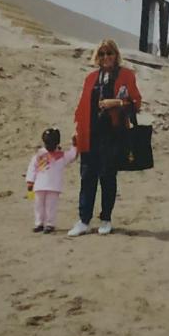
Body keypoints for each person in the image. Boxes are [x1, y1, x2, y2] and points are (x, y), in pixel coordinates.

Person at [68, 39, 142, 237]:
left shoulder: (126, 75)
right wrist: (77, 131)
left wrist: (115, 102)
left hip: (113, 135)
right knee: (87, 177)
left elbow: (136, 102)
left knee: (107, 177)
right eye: (101, 54)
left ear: (115, 54)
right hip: (90, 134)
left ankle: (106, 218)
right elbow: (82, 107)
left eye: (109, 53)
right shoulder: (91, 78)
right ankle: (83, 220)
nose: (106, 57)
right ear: (97, 57)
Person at [26, 128, 77, 234]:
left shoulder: (62, 155)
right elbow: (32, 167)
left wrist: (75, 144)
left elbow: (72, 155)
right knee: (38, 205)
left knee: (50, 206)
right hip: (39, 185)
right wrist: (30, 180)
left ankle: (50, 224)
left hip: (53, 186)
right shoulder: (40, 154)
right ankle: (39, 223)